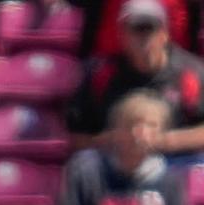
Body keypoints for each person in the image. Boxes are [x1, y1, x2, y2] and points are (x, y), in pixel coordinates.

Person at [61, 90, 185, 205]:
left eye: (152, 126)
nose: (141, 134)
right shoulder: (86, 171)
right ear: (116, 130)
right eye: (133, 125)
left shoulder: (170, 181)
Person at [66, 0, 204, 157]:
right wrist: (110, 140)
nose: (143, 37)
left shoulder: (192, 73)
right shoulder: (99, 74)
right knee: (84, 162)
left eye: (150, 28)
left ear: (164, 34)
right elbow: (76, 137)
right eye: (136, 29)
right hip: (116, 163)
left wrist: (165, 141)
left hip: (175, 163)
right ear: (122, 35)